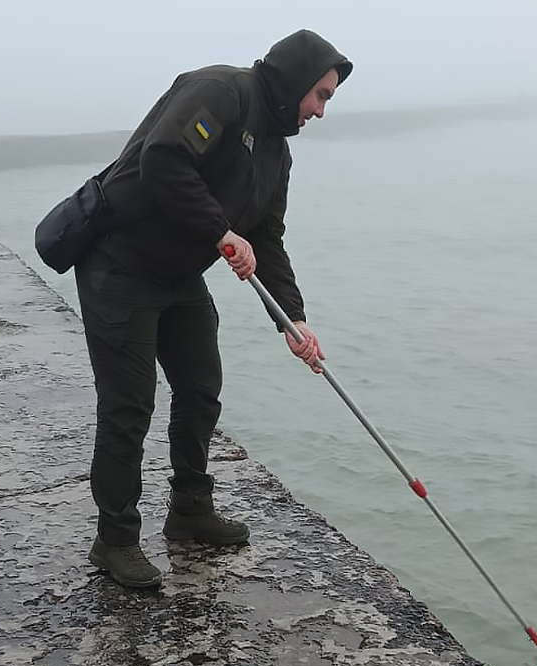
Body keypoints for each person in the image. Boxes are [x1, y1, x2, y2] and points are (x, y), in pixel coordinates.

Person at [73, 29, 352, 589]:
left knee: (201, 387)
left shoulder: (277, 151)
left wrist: (292, 322)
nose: (322, 110)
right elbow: (165, 160)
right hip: (120, 263)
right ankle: (116, 539)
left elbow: (267, 239)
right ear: (297, 81)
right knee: (130, 406)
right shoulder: (221, 92)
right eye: (320, 95)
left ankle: (190, 511)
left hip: (178, 275)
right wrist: (222, 231)